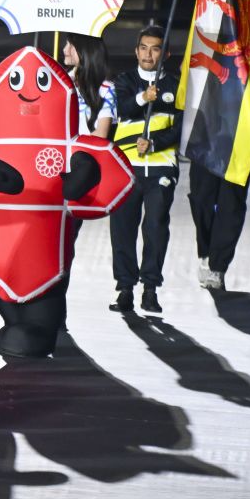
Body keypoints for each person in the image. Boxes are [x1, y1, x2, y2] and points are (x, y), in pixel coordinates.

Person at [188, 38, 250, 290]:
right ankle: (206, 250)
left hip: (242, 135)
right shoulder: (212, 36)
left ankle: (217, 266)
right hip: (207, 132)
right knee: (200, 197)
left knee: (231, 203)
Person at [108, 24, 180, 314]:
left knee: (155, 227)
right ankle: (125, 288)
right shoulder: (123, 80)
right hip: (126, 169)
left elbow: (182, 128)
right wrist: (143, 98)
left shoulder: (176, 85)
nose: (148, 54)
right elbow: (122, 109)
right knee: (122, 229)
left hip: (161, 168)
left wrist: (154, 144)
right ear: (136, 51)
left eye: (155, 49)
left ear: (166, 54)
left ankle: (150, 288)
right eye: (143, 48)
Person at [62, 34, 115, 138]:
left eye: (71, 45)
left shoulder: (106, 89)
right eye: (66, 44)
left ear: (86, 49)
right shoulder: (62, 82)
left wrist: (70, 143)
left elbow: (101, 134)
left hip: (85, 147)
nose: (65, 50)